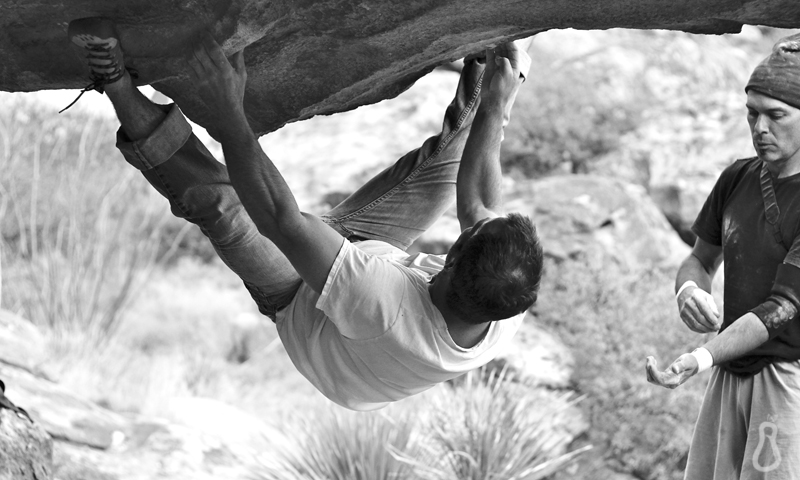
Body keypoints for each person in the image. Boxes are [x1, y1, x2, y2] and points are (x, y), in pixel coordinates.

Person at [66, 18, 543, 411]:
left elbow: (280, 219)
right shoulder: (506, 298)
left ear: (453, 258)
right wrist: (502, 97)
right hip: (372, 262)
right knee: (456, 157)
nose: (476, 217)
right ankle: (490, 56)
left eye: (472, 231)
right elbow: (477, 205)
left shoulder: (384, 306)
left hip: (306, 304)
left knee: (224, 209)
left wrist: (227, 108)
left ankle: (114, 83)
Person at [646, 33, 800, 478]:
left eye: (777, 116)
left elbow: (780, 310)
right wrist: (690, 289)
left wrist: (699, 358)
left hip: (786, 380)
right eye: (752, 114)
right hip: (729, 370)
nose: (760, 129)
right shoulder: (738, 177)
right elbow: (700, 258)